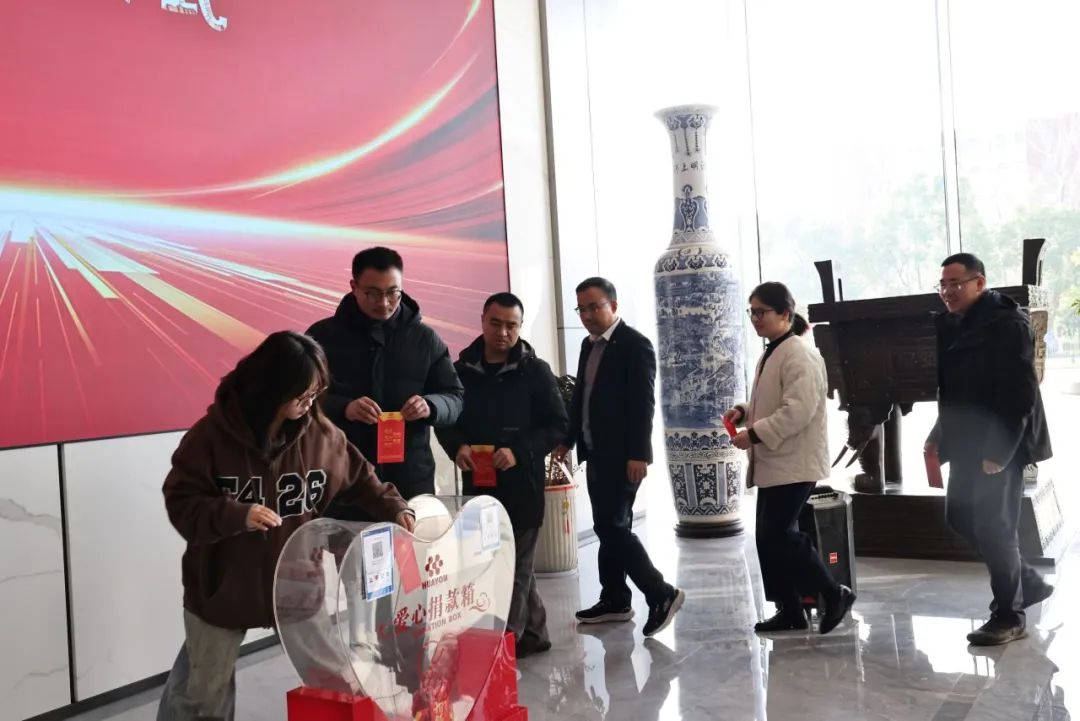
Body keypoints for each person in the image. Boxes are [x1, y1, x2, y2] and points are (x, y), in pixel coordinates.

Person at [159, 331, 415, 721]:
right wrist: (236, 514)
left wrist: (395, 508)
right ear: (269, 388)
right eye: (302, 395)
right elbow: (181, 500)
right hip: (221, 587)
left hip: (298, 584)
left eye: (316, 393)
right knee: (203, 696)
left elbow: (363, 479)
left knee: (335, 682)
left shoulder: (321, 436)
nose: (310, 403)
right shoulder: (210, 437)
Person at [926, 253, 1053, 646]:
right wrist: (938, 434)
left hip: (1002, 443)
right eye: (943, 284)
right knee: (959, 517)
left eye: (955, 283)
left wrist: (999, 451)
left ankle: (1010, 616)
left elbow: (1020, 394)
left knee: (995, 528)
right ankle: (1026, 581)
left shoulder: (1007, 323)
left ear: (979, 283)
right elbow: (953, 391)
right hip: (966, 440)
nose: (947, 291)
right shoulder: (951, 323)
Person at [436, 292, 569, 658]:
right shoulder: (461, 371)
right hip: (478, 487)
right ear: (482, 321)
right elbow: (447, 421)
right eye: (496, 324)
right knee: (497, 566)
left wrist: (519, 452)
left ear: (520, 327)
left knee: (512, 569)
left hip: (522, 488)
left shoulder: (535, 371)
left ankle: (500, 651)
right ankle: (534, 635)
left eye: (512, 326)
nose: (503, 333)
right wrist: (457, 447)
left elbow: (557, 425)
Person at [553, 277, 684, 638]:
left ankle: (660, 593)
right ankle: (614, 598)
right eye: (581, 309)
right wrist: (567, 440)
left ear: (613, 305)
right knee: (609, 527)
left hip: (623, 455)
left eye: (594, 307)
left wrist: (639, 454)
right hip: (595, 451)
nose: (587, 315)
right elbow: (582, 397)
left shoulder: (634, 345)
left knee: (611, 527)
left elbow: (643, 405)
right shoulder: (588, 345)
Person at [725, 282, 855, 635]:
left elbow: (797, 411)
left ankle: (834, 593)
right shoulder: (773, 352)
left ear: (785, 313)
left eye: (761, 312)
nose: (755, 318)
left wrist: (753, 433)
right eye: (752, 312)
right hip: (775, 462)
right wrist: (744, 411)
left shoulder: (800, 354)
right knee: (769, 538)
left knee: (781, 534)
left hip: (794, 462)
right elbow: (772, 401)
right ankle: (790, 609)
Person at [307, 247, 465, 509]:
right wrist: (344, 407)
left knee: (411, 536)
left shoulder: (425, 339)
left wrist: (431, 405)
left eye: (393, 293)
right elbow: (300, 400)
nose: (384, 303)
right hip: (344, 476)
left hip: (411, 479)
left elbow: (455, 397)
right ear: (354, 286)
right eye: (373, 293)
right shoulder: (322, 337)